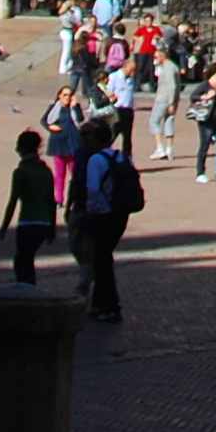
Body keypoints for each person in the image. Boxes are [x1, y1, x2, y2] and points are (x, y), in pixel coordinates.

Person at [70, 114, 142, 319]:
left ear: (96, 140)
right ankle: (99, 302)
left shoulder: (96, 160)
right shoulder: (122, 157)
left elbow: (92, 190)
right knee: (103, 258)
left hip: (103, 215)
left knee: (101, 261)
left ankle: (110, 305)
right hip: (121, 213)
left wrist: (94, 211)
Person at [0, 129, 58, 285]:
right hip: (44, 223)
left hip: (28, 222)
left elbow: (13, 201)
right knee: (26, 259)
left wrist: (4, 227)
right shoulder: (46, 171)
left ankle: (27, 292)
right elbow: (51, 201)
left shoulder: (21, 171)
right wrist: (52, 228)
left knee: (22, 262)